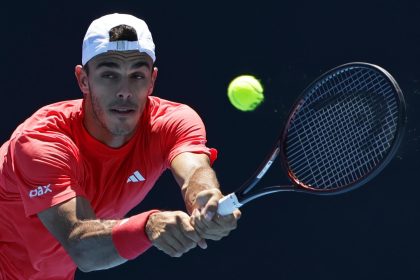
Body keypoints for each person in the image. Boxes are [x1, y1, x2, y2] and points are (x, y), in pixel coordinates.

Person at [0, 13, 241, 279]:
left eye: (137, 75)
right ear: (83, 80)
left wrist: (205, 197)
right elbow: (81, 246)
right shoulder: (40, 142)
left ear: (152, 80)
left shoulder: (173, 122)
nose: (124, 91)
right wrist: (148, 226)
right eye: (109, 75)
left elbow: (194, 170)